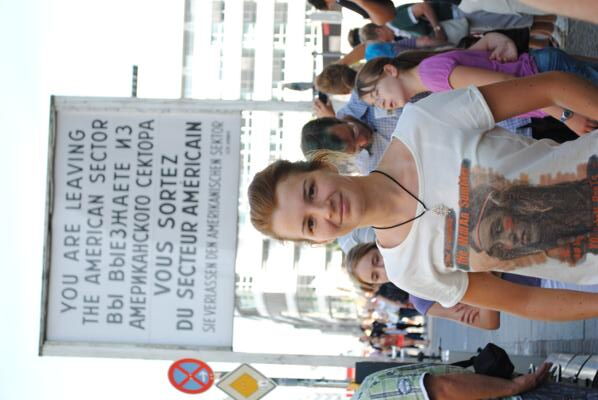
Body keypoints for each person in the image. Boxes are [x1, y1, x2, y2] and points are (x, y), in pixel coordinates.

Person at [247, 72, 598, 320]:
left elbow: (550, 87)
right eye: (309, 224)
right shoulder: (406, 271)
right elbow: (524, 300)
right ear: (319, 240)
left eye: (311, 191)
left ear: (324, 166)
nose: (324, 210)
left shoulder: (423, 123)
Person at [355, 44, 598, 135]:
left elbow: (508, 83)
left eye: (377, 94)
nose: (382, 104)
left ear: (390, 70)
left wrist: (566, 115)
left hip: (546, 80)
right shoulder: (428, 75)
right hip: (545, 77)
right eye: (376, 104)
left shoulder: (430, 75)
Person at [346, 243, 598, 330]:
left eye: (376, 260)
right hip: (545, 289)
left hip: (543, 249)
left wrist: (480, 291)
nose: (384, 269)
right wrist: (487, 274)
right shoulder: (422, 299)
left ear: (377, 247)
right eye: (376, 276)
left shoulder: (421, 239)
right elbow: (487, 322)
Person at [354, 361, 598, 399]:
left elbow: (444, 389)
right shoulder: (369, 389)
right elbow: (445, 388)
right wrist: (514, 386)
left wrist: (514, 386)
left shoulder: (372, 394)